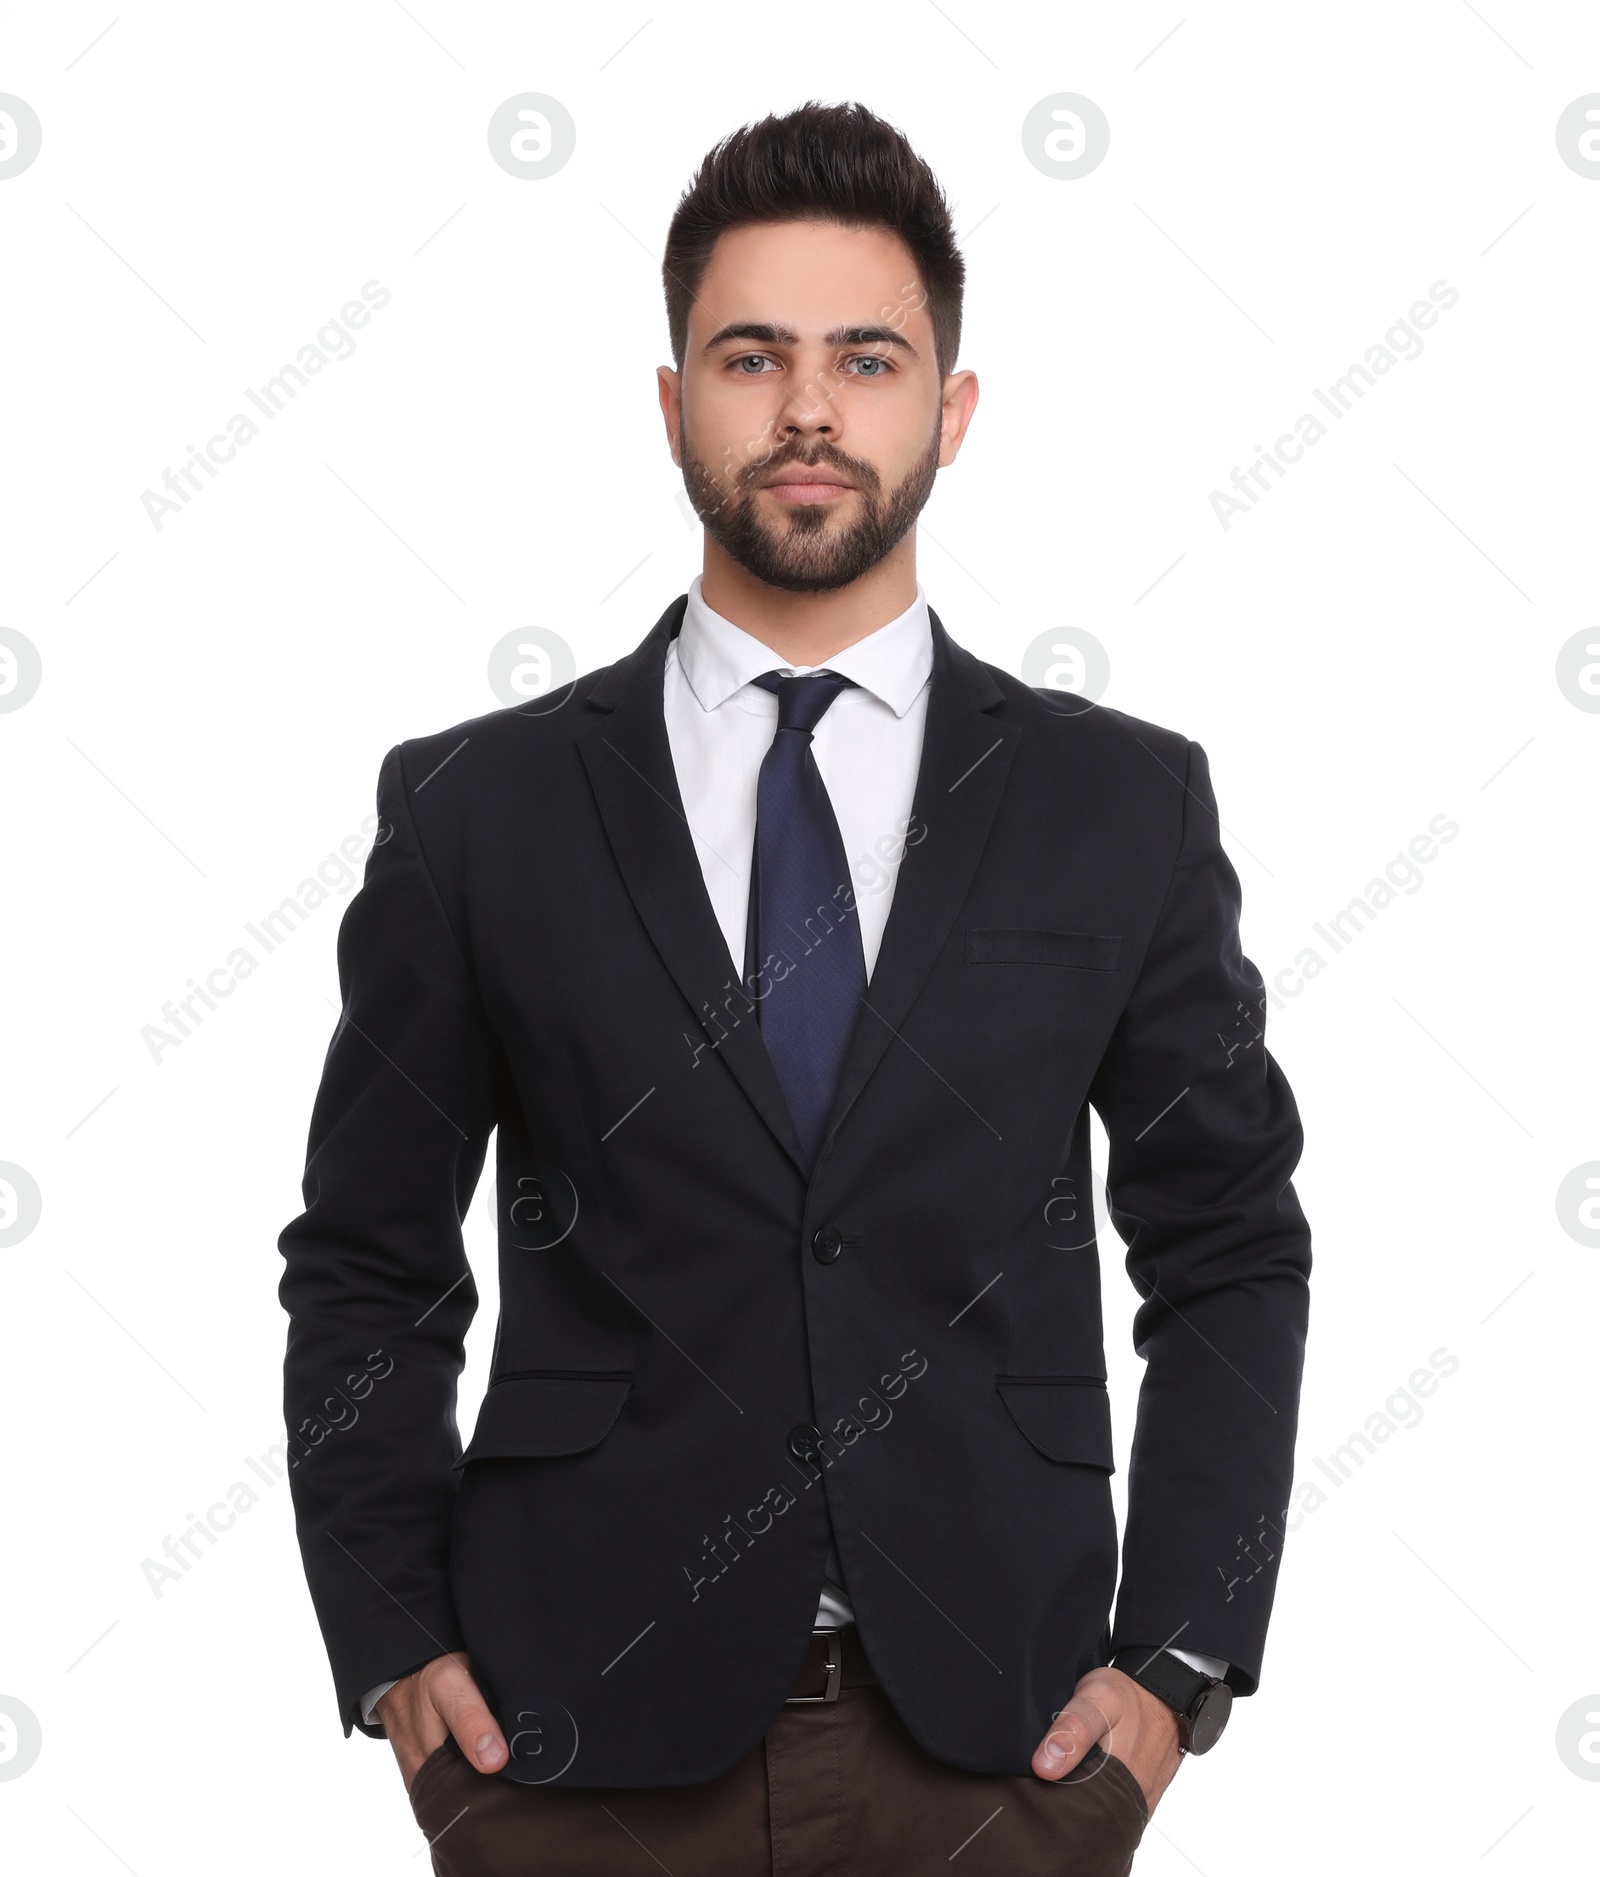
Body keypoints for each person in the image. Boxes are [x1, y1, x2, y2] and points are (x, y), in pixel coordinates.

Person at [279, 98, 1312, 1876]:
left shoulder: (1119, 802)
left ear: (951, 411)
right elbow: (369, 1257)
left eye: (869, 358)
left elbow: (1226, 1237)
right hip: (568, 1742)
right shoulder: (476, 810)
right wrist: (393, 1647)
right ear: (674, 402)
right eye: (752, 358)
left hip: (1010, 1736)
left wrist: (1178, 1664)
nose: (812, 410)